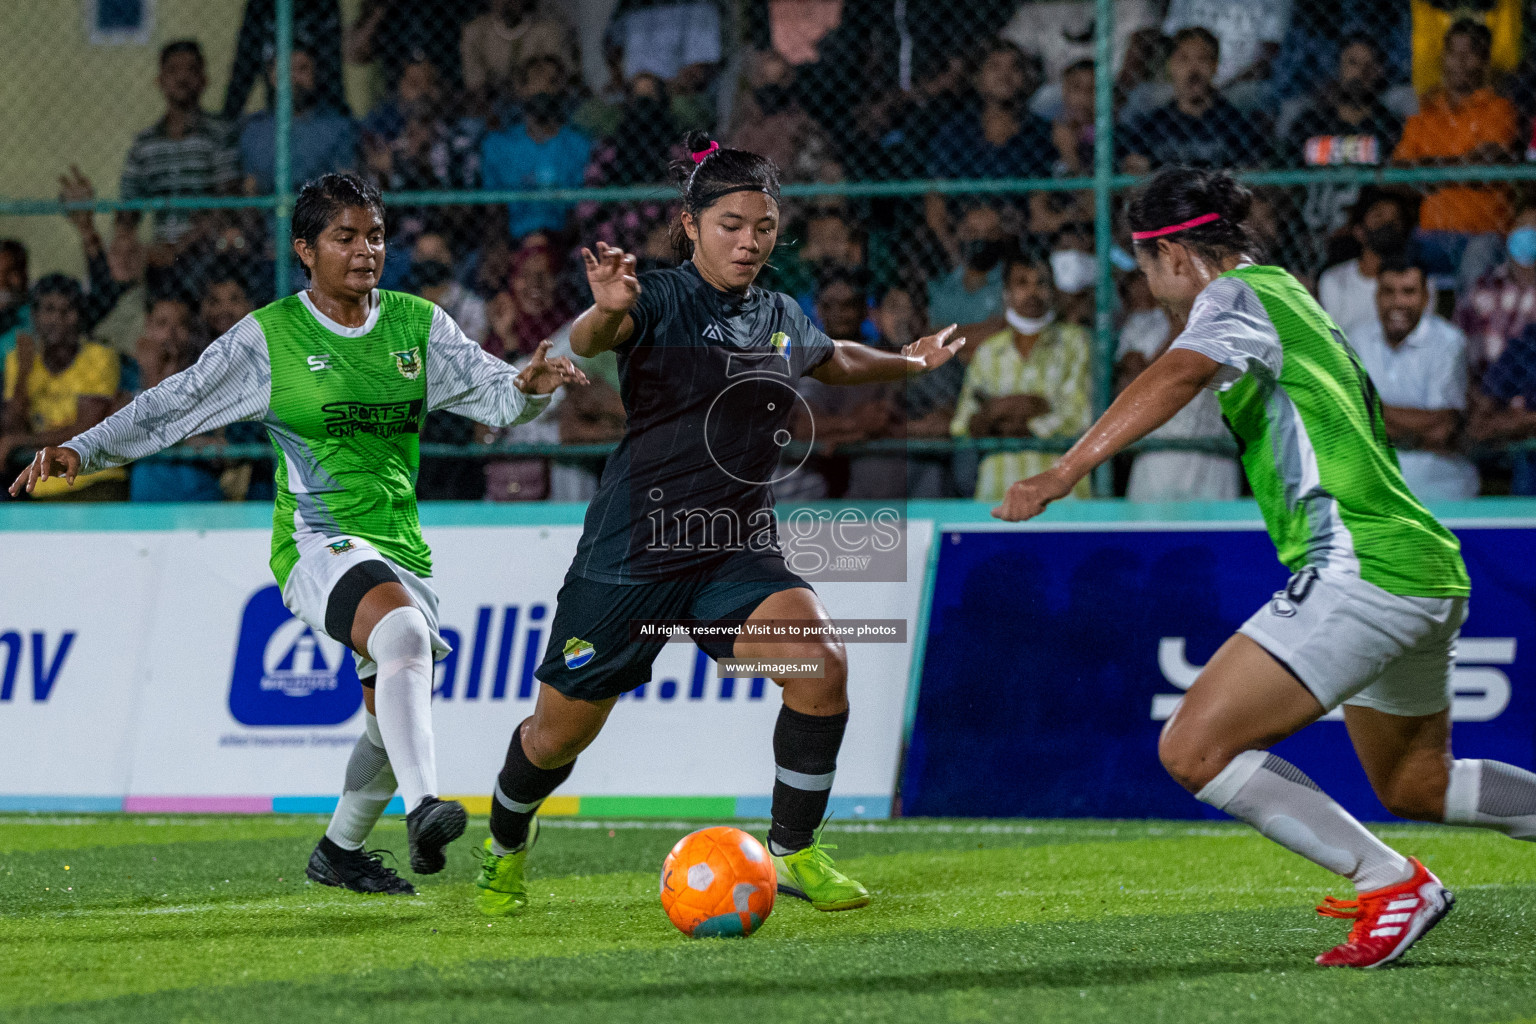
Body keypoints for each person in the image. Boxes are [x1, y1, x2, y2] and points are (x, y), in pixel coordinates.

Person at [995, 167, 1536, 969]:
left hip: (1364, 567)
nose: (1148, 287)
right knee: (1419, 784)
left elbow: (1178, 371)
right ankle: (1398, 877)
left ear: (1173, 255)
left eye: (1143, 268)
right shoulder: (1291, 294)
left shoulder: (1234, 297)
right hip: (1418, 562)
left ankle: (1390, 884)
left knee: (1193, 749)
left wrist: (1064, 470)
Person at [9, 174, 584, 891]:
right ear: (305, 249)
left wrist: (529, 387)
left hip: (399, 544)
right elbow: (173, 404)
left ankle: (339, 852)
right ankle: (424, 806)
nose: (365, 250)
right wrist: (83, 449)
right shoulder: (270, 339)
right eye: (345, 237)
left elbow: (497, 399)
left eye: (374, 235)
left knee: (386, 718)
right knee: (403, 636)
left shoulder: (417, 325)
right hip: (316, 542)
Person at [471, 133, 966, 918]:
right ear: (691, 224)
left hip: (732, 547)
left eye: (763, 227)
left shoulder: (775, 310)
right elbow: (595, 339)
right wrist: (604, 310)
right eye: (731, 224)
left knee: (821, 665)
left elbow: (828, 354)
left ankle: (794, 849)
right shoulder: (660, 298)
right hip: (633, 553)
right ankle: (503, 847)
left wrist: (908, 362)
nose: (749, 241)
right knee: (554, 739)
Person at [948, 254, 1091, 503]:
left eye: (1041, 283)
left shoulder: (1076, 342)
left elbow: (1080, 416)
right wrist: (1022, 409)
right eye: (1022, 283)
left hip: (1064, 496)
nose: (1032, 292)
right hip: (998, 493)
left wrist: (1003, 418)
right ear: (1006, 293)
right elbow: (963, 425)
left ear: (1053, 291)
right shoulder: (988, 351)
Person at [1392, 19, 1519, 292]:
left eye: (1469, 53)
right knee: (1397, 262)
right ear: (1444, 58)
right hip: (1430, 234)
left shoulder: (1498, 109)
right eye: (1453, 52)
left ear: (1484, 62)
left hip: (1483, 234)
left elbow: (1486, 164)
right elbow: (1396, 174)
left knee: (1476, 265)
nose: (1459, 62)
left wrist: (1428, 170)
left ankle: (1469, 332)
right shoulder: (1425, 111)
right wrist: (1462, 168)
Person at [1347, 259, 1479, 500]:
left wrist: (1373, 411)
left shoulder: (1449, 343)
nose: (1398, 302)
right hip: (1370, 482)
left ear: (1426, 298)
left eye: (1408, 292)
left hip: (1437, 483)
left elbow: (1443, 428)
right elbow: (1348, 419)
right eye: (1389, 292)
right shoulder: (1357, 339)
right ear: (1376, 296)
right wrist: (1418, 428)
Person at [1115, 270, 1240, 501]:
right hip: (1157, 458)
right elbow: (1134, 391)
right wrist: (1177, 333)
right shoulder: (1140, 327)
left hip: (1215, 457)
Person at [0, 276, 124, 498]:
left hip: (93, 480)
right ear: (35, 316)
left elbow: (85, 429)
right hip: (39, 487)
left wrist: (19, 441)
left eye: (67, 311)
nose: (57, 319)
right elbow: (12, 426)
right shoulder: (18, 360)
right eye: (49, 310)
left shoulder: (99, 357)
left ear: (79, 317)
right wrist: (23, 373)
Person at [118, 40, 243, 257]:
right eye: (173, 70)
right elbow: (129, 207)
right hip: (160, 255)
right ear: (160, 80)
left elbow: (228, 200)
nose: (182, 78)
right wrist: (125, 240)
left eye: (191, 70)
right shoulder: (145, 144)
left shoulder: (219, 135)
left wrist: (181, 246)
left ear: (204, 80)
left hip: (209, 253)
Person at [1286, 36, 1405, 248]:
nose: (1360, 73)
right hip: (1308, 229)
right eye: (1352, 63)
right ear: (1339, 69)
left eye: (1370, 65)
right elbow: (1284, 172)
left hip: (1363, 234)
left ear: (1379, 72)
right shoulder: (1310, 123)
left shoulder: (1389, 127)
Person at [1120, 28, 1270, 173]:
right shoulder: (1150, 126)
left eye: (1202, 59)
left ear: (1215, 65)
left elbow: (1255, 177)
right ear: (1170, 66)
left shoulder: (1237, 124)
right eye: (1183, 59)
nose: (1193, 69)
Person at [480, 56, 592, 243]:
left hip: (562, 241)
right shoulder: (498, 145)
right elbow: (494, 210)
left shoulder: (578, 145)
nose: (542, 90)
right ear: (521, 90)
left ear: (562, 90)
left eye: (551, 82)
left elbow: (580, 211)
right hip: (515, 241)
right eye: (534, 81)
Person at [239, 45, 358, 194]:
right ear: (271, 75)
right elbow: (250, 191)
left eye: (302, 69)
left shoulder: (337, 127)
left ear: (316, 74)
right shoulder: (254, 129)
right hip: (270, 216)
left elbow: (346, 187)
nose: (293, 78)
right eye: (285, 70)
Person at [1454, 202, 1536, 387]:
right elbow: (1456, 343)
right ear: (1510, 232)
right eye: (1523, 226)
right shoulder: (1483, 287)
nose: (1530, 233)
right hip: (1481, 396)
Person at [1317, 191, 1413, 338]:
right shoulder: (1334, 280)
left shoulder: (1415, 282)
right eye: (1379, 217)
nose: (1388, 225)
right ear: (1359, 230)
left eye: (1395, 219)